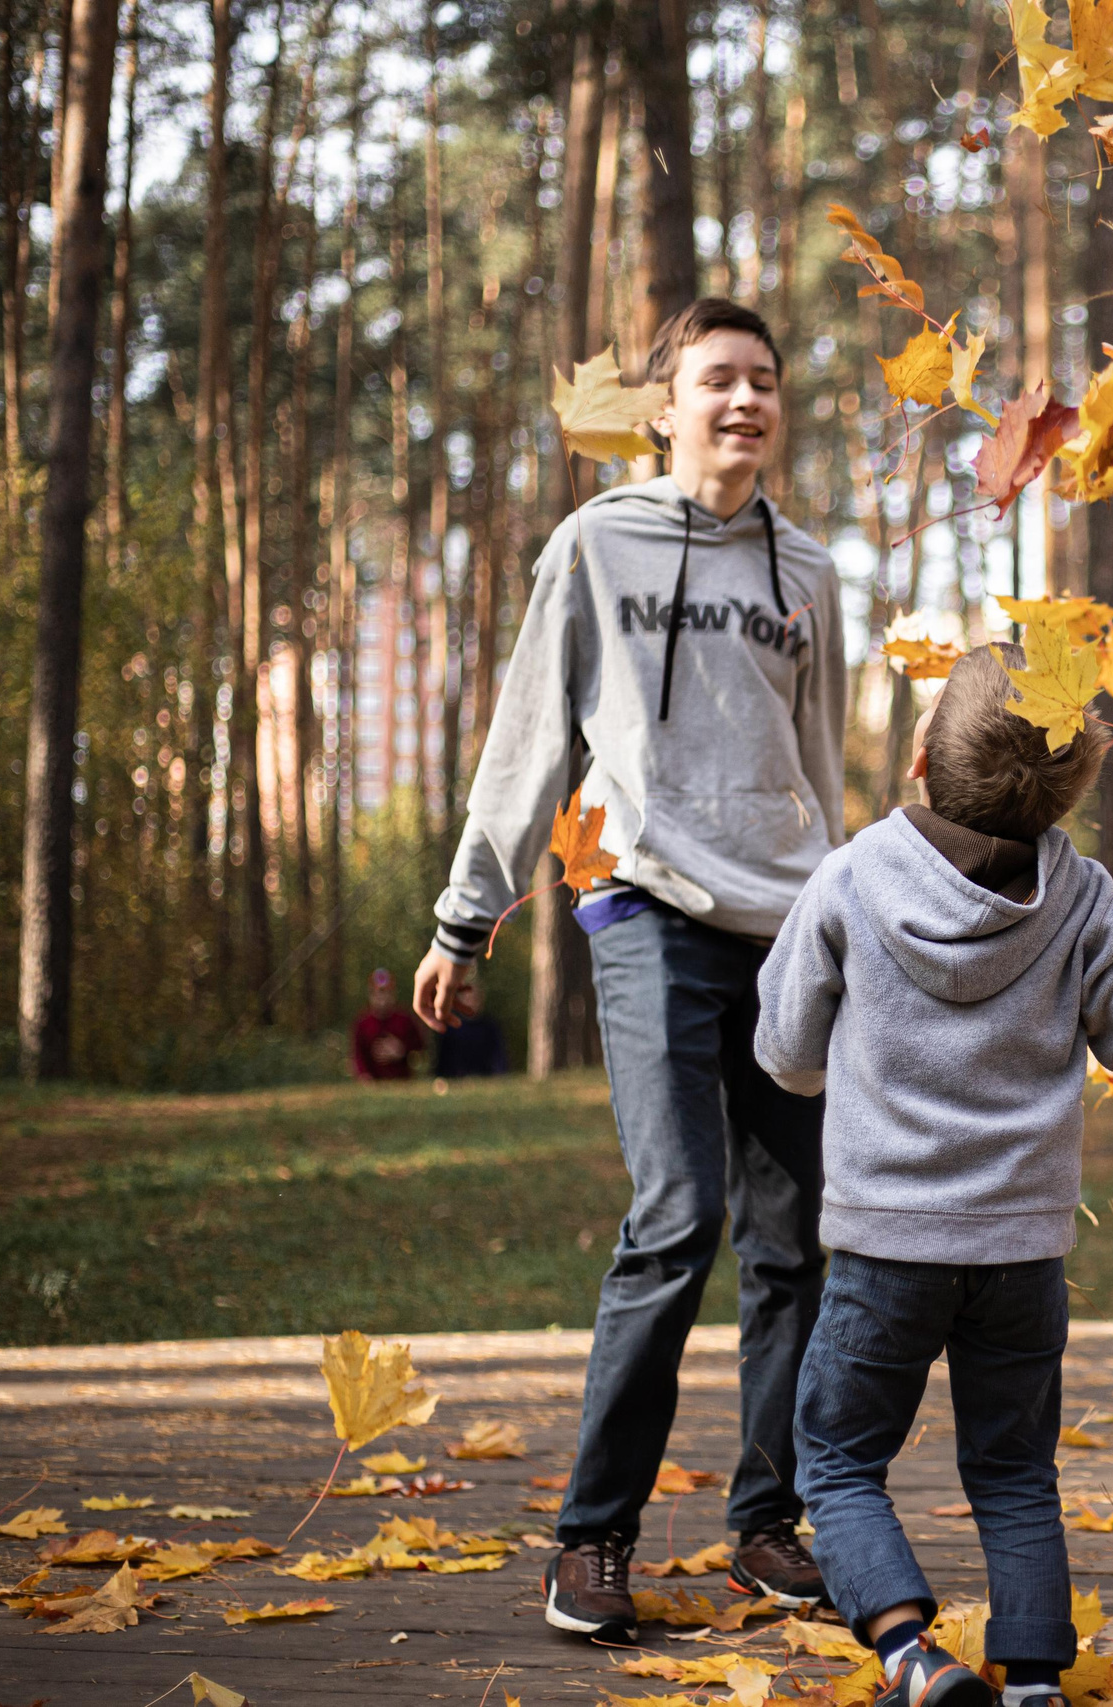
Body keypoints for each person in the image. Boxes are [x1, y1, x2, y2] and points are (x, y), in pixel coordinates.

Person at [409, 298, 846, 1644]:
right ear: (667, 407)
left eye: (764, 382)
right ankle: (591, 1539)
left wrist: (845, 921)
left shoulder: (811, 571)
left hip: (783, 933)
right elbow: (533, 727)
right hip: (647, 906)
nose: (744, 401)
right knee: (679, 1215)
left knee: (800, 1239)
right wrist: (462, 914)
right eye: (717, 380)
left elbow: (819, 767)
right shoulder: (599, 542)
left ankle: (765, 1522)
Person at [755, 646, 1113, 1707]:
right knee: (1012, 1471)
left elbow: (784, 1049)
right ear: (1075, 787)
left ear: (920, 757)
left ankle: (911, 1655)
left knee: (834, 1459)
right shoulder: (1082, 896)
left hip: (884, 1245)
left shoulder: (854, 876)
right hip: (1020, 1252)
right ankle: (1037, 1682)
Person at [351, 969, 425, 1081]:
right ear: (371, 994)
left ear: (393, 994)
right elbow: (358, 1056)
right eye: (378, 993)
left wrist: (402, 1050)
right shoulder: (362, 1023)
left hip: (402, 1082)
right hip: (373, 1083)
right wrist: (364, 1076)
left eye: (386, 992)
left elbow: (420, 1048)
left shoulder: (405, 1019)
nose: (382, 999)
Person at [430, 981, 509, 1079]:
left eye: (475, 999)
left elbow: (498, 1057)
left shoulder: (490, 1027)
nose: (471, 1002)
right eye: (467, 998)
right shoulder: (451, 1026)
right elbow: (444, 1059)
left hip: (485, 1077)